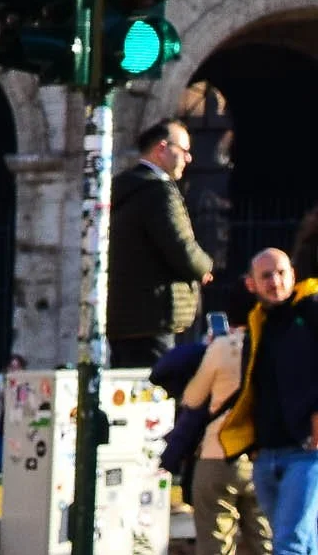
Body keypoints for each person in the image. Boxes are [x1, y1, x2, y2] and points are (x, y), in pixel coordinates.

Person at [219, 248, 318, 555]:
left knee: (289, 545)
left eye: (281, 273)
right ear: (252, 284)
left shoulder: (311, 310)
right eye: (266, 276)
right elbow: (255, 386)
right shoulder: (258, 323)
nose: (275, 282)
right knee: (301, 543)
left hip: (307, 452)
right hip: (267, 454)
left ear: (293, 275)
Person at [109, 120, 215, 367]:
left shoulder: (124, 189)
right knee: (157, 394)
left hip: (123, 319)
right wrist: (205, 267)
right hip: (156, 316)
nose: (189, 159)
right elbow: (181, 247)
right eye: (184, 150)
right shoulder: (159, 191)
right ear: (162, 148)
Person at [185, 319, 269, 555]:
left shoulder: (222, 347)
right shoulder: (277, 343)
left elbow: (192, 399)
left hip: (217, 454)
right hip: (262, 457)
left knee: (216, 545)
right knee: (267, 543)